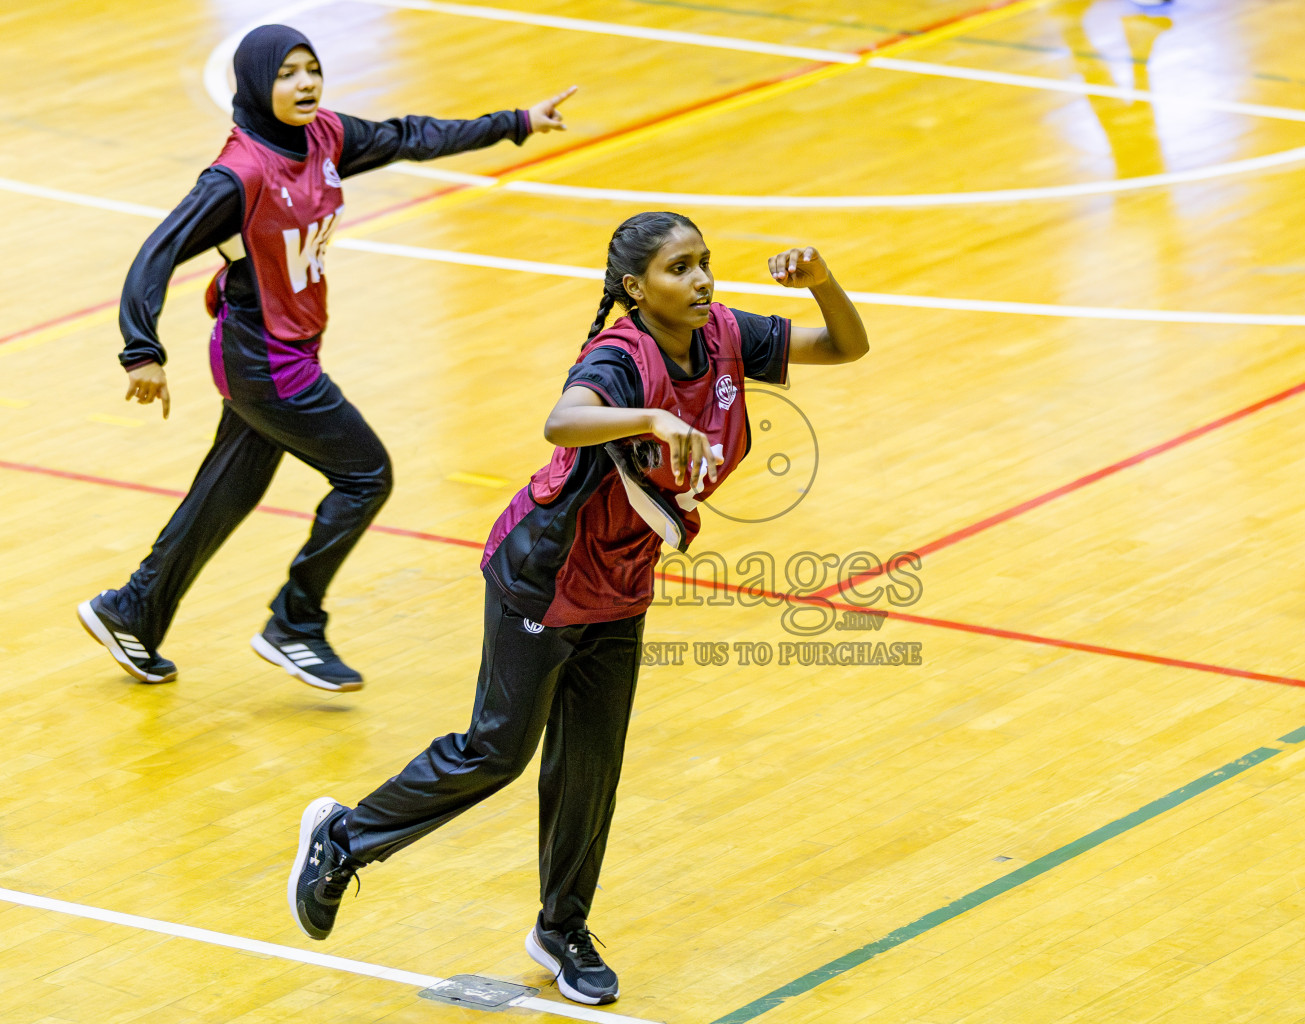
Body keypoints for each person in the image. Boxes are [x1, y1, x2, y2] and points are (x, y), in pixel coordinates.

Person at [286, 212, 869, 1005]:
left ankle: (561, 929)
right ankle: (343, 840)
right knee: (497, 751)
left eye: (705, 263)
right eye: (679, 269)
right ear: (636, 288)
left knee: (590, 770)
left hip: (624, 582)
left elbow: (846, 346)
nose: (701, 280)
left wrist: (824, 282)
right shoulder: (621, 358)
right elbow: (563, 419)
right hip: (544, 574)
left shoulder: (727, 336)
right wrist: (654, 417)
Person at [76, 24, 576, 691]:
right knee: (367, 475)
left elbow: (408, 135)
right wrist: (142, 350)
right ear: (257, 84)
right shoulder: (239, 174)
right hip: (265, 361)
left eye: (311, 68)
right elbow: (155, 253)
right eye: (286, 74)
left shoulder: (326, 137)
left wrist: (514, 122)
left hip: (290, 348)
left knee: (228, 492)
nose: (306, 83)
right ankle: (295, 621)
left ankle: (134, 611)